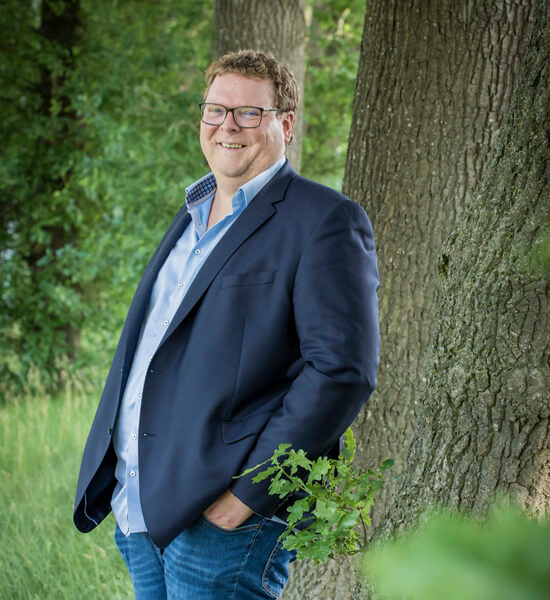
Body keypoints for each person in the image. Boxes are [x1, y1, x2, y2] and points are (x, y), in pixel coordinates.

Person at [74, 50, 380, 599]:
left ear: (284, 123)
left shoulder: (323, 220)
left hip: (221, 518)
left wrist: (246, 497)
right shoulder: (189, 215)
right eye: (216, 110)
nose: (227, 127)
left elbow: (342, 371)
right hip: (141, 504)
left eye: (248, 114)